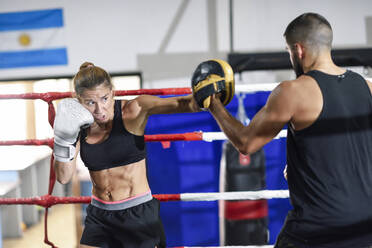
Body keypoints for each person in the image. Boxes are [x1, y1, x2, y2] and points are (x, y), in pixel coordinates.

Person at [195, 13, 372, 248]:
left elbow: (246, 143)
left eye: (289, 52)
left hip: (316, 229)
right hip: (364, 228)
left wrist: (213, 104)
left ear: (298, 50)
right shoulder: (368, 87)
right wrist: (305, 170)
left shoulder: (292, 91)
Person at [53, 62, 200, 248]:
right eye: (90, 102)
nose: (99, 110)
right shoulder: (78, 125)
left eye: (105, 99)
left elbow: (185, 104)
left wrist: (208, 95)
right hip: (100, 214)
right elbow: (63, 177)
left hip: (136, 213)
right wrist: (63, 139)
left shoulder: (134, 110)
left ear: (113, 92)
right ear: (78, 100)